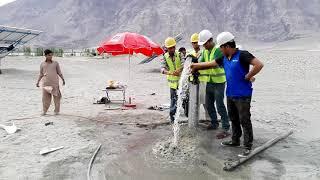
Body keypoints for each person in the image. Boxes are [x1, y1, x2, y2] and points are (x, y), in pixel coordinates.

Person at [191, 32, 264, 156]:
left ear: (227, 46)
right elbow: (210, 64)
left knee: (244, 120)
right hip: (230, 94)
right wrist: (195, 65)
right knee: (234, 118)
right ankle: (235, 140)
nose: (220, 49)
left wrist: (248, 76)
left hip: (243, 95)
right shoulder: (224, 58)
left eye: (221, 47)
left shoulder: (242, 55)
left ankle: (247, 145)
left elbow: (259, 64)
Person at [197, 30, 230, 138]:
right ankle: (214, 123)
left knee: (220, 105)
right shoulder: (205, 51)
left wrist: (197, 66)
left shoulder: (218, 50)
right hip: (209, 82)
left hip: (219, 82)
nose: (204, 46)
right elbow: (200, 62)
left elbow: (213, 65)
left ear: (211, 40)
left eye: (205, 44)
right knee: (208, 104)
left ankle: (225, 127)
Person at [161, 37, 184, 123]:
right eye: (170, 48)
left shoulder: (179, 54)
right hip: (173, 84)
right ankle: (172, 118)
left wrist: (179, 70)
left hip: (182, 82)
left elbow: (184, 64)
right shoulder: (165, 57)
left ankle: (187, 114)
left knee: (185, 99)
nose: (172, 49)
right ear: (166, 48)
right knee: (173, 101)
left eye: (173, 47)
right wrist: (170, 73)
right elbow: (162, 69)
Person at [36, 49, 65, 115]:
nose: (51, 56)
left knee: (57, 97)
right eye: (49, 55)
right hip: (46, 83)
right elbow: (41, 74)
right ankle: (44, 111)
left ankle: (56, 111)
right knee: (45, 98)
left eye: (51, 55)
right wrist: (38, 82)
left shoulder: (55, 63)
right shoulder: (42, 64)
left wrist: (63, 79)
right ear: (45, 55)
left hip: (54, 83)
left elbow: (59, 72)